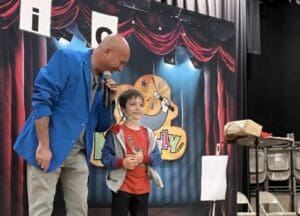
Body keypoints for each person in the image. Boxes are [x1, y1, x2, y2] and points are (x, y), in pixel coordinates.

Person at [13, 34, 131, 216]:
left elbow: (102, 126)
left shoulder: (102, 83)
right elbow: (41, 99)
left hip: (78, 154)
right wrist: (44, 146)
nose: (121, 68)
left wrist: (110, 101)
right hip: (49, 147)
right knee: (41, 210)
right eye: (121, 62)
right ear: (107, 51)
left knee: (79, 210)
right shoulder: (68, 59)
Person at [102, 89, 163, 216]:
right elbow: (105, 157)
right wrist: (121, 162)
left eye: (141, 105)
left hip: (143, 187)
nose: (138, 108)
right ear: (123, 108)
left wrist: (143, 158)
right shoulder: (115, 131)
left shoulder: (148, 133)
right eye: (133, 104)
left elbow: (157, 158)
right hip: (122, 186)